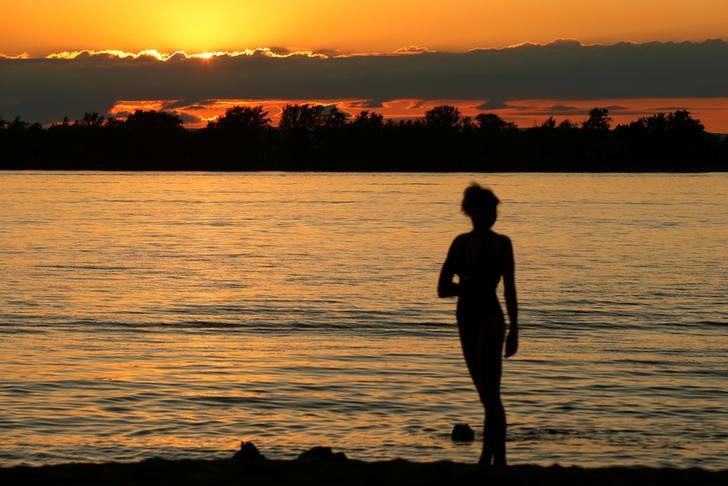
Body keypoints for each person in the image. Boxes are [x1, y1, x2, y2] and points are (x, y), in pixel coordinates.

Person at [438, 182, 518, 465]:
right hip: (467, 316)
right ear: (472, 213)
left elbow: (509, 289)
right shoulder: (461, 243)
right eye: (486, 211)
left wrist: (515, 330)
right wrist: (467, 288)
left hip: (492, 316)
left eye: (494, 211)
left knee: (491, 391)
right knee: (485, 392)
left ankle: (494, 458)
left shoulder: (502, 243)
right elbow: (442, 287)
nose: (491, 216)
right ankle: (495, 458)